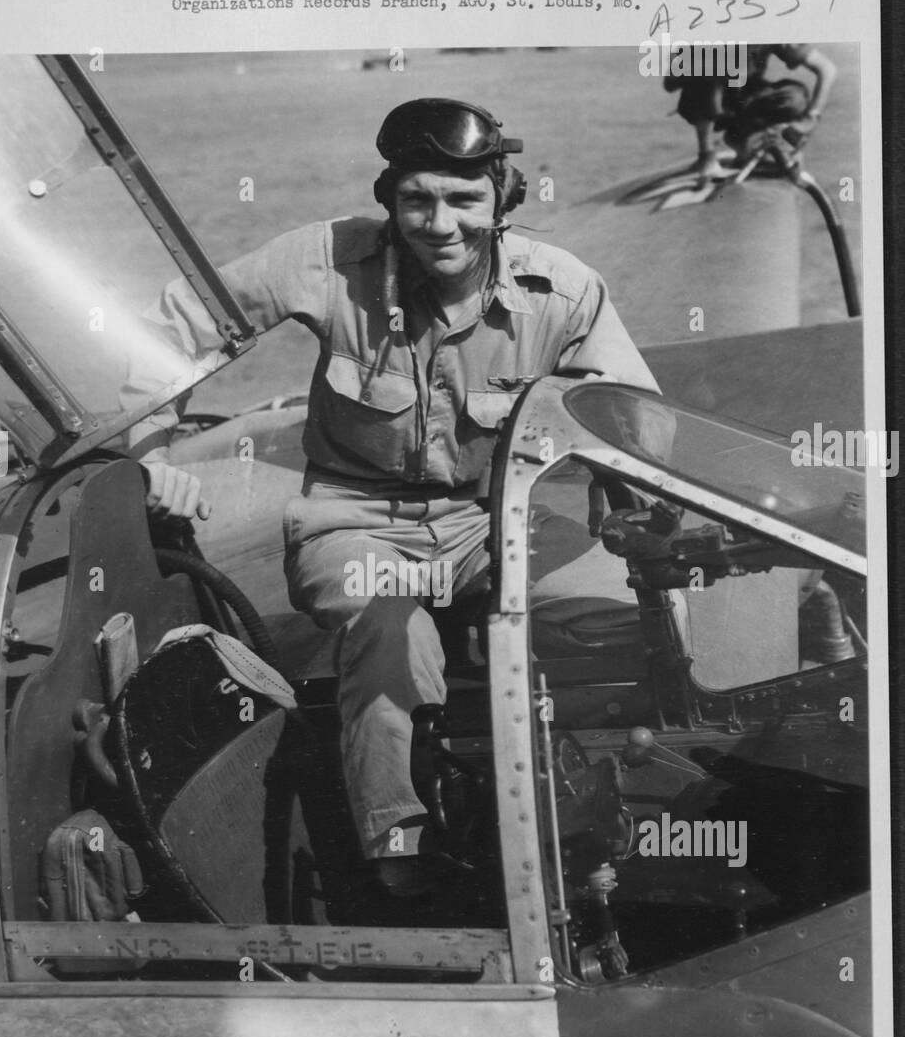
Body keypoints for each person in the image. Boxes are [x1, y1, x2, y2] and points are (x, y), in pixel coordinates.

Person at [122, 97, 660, 910]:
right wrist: (150, 452)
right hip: (354, 517)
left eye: (463, 199)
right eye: (416, 199)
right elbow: (173, 324)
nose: (439, 222)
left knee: (615, 619)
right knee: (390, 624)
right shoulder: (328, 257)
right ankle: (399, 855)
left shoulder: (563, 289)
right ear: (389, 200)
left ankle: (612, 830)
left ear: (502, 199)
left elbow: (633, 414)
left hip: (492, 518)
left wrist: (629, 495)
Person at [665, 44, 837, 180]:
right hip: (713, 107)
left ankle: (754, 142)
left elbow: (827, 69)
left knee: (795, 97)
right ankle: (707, 155)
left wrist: (809, 120)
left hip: (747, 99)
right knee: (706, 73)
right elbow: (670, 83)